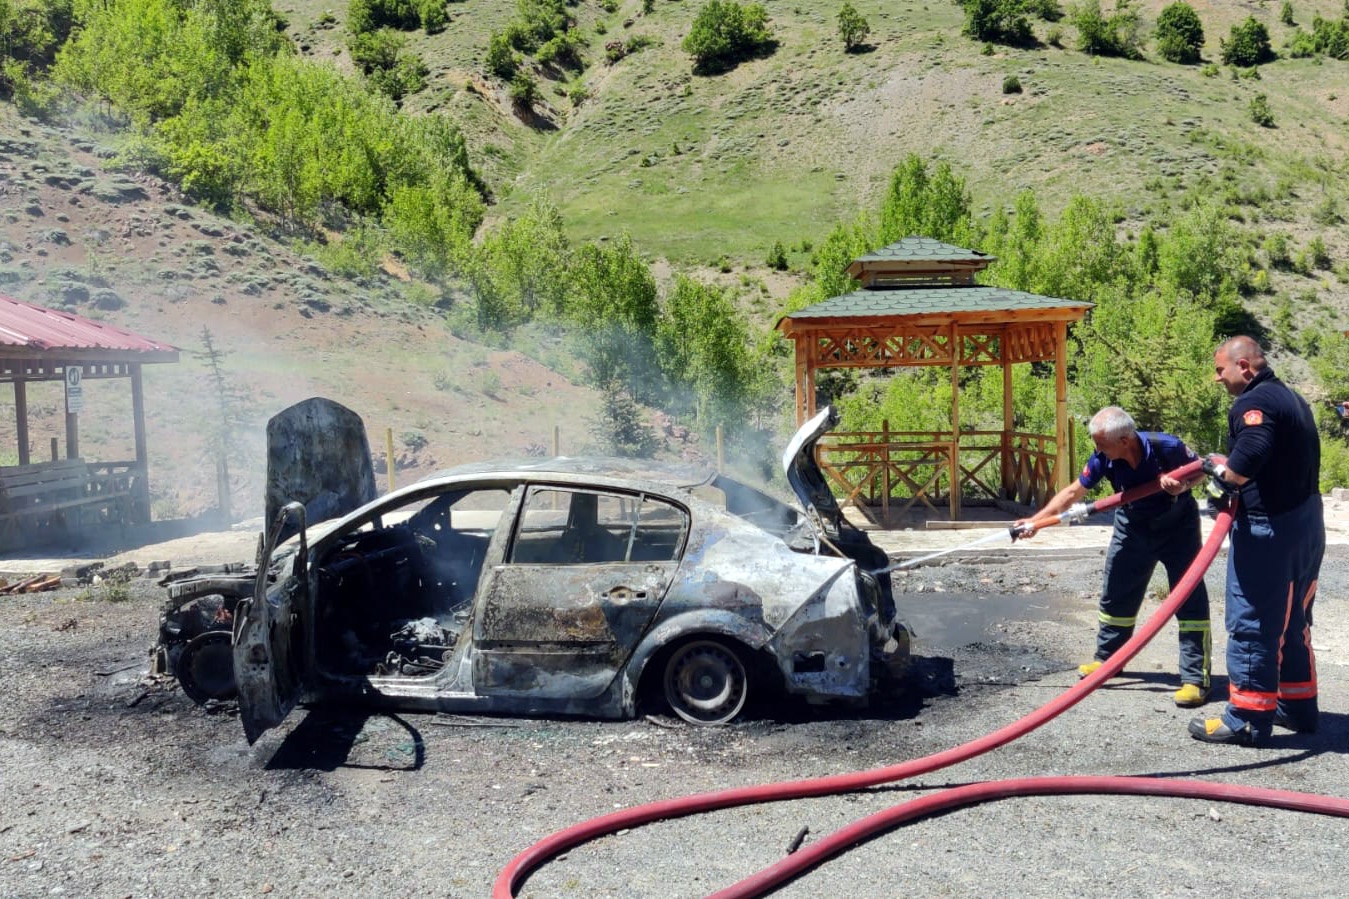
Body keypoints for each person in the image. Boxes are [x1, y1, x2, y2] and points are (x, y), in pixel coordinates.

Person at [1015, 406, 1210, 707]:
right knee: (1116, 593)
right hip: (1132, 525)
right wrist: (1036, 522)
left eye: (1101, 443)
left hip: (1177, 527)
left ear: (1125, 440)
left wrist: (1182, 485)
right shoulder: (1103, 458)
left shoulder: (1166, 446)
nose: (1097, 449)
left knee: (1188, 597)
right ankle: (1109, 661)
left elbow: (1201, 469)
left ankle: (1195, 679)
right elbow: (1073, 493)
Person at [1190, 335, 1325, 746]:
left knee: (1253, 621)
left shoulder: (1253, 402)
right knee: (1294, 621)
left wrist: (1223, 478)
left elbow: (1251, 452)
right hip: (1306, 524)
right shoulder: (1291, 398)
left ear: (1244, 366)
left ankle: (1246, 718)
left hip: (1270, 531)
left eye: (1221, 370)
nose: (1218, 379)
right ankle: (1297, 707)